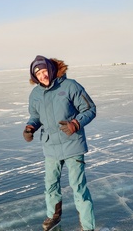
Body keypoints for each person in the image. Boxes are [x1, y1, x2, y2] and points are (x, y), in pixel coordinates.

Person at [23, 55, 96, 231]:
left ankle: (88, 226)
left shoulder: (70, 86)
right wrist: (30, 127)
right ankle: (54, 216)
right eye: (38, 73)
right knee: (51, 185)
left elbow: (90, 109)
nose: (42, 75)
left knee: (78, 187)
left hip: (72, 144)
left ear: (51, 69)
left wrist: (75, 123)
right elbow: (35, 116)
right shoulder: (35, 94)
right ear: (35, 77)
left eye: (44, 70)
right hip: (50, 147)